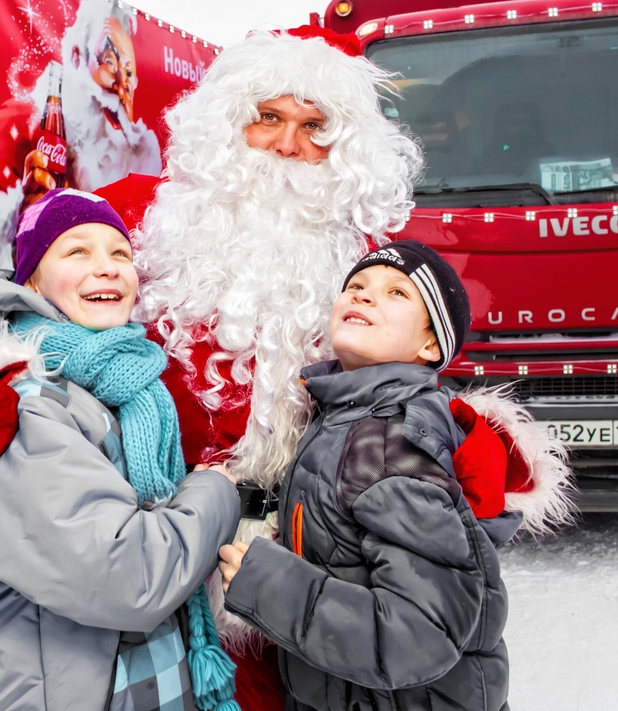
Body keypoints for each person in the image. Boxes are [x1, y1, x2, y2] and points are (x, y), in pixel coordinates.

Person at [97, 24, 572, 710]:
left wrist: (468, 437)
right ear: (227, 122)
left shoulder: (365, 261)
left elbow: (402, 383)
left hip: (309, 571)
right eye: (267, 118)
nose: (288, 144)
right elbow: (41, 314)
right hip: (159, 557)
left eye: (313, 127)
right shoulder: (136, 215)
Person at [0, 188, 242, 711]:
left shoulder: (128, 384)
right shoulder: (30, 405)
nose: (108, 268)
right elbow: (129, 577)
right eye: (77, 251)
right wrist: (215, 492)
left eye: (120, 253)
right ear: (33, 282)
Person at [219, 241, 569, 711]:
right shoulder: (345, 418)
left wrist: (267, 582)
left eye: (397, 293)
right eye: (357, 286)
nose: (364, 296)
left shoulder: (389, 443)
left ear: (430, 344)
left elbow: (420, 635)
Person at [0, 0, 162, 271]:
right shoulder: (20, 122)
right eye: (109, 61)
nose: (122, 87)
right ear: (76, 57)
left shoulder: (134, 163)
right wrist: (17, 218)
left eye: (129, 73)